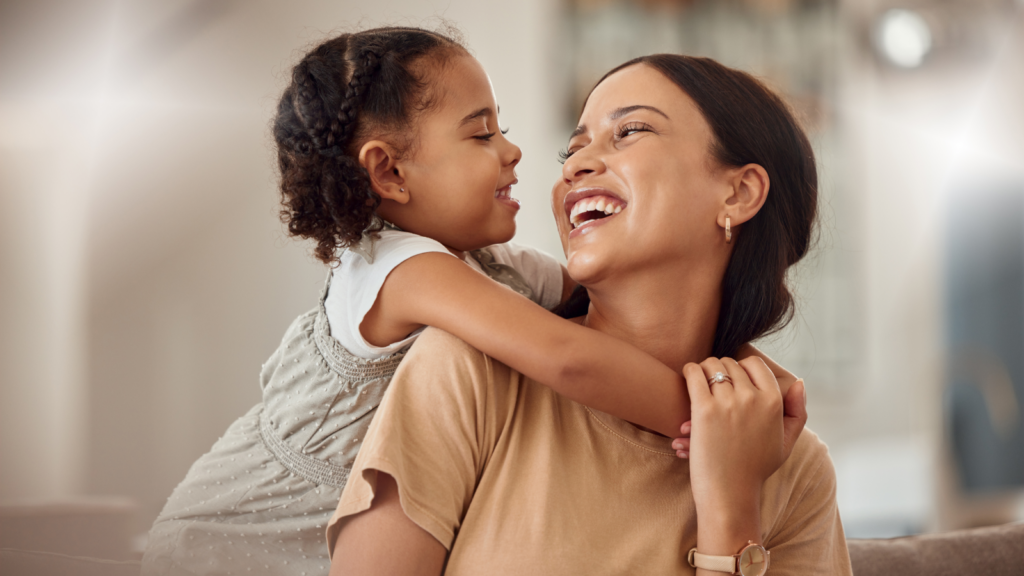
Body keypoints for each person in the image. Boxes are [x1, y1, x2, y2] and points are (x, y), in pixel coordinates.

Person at [142, 28, 798, 575]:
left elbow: (614, 300)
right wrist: (724, 418)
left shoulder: (491, 270)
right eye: (481, 135)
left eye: (502, 130)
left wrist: (747, 365)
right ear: (390, 173)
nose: (518, 153)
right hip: (228, 544)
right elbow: (569, 358)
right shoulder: (403, 270)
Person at [327, 54, 852, 575]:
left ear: (738, 193)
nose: (573, 165)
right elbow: (567, 358)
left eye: (629, 131)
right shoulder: (469, 372)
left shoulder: (794, 470)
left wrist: (733, 507)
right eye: (573, 147)